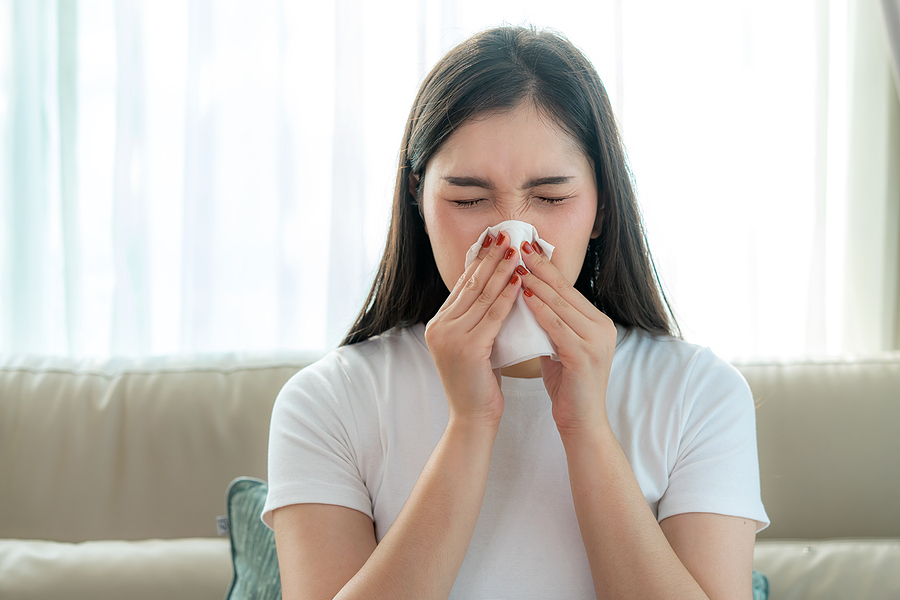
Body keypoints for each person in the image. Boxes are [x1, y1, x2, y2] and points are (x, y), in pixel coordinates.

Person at [263, 25, 768, 600]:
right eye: (468, 200)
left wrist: (587, 429)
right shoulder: (329, 401)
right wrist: (470, 425)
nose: (510, 238)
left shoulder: (700, 394)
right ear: (418, 202)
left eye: (552, 198)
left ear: (602, 207)